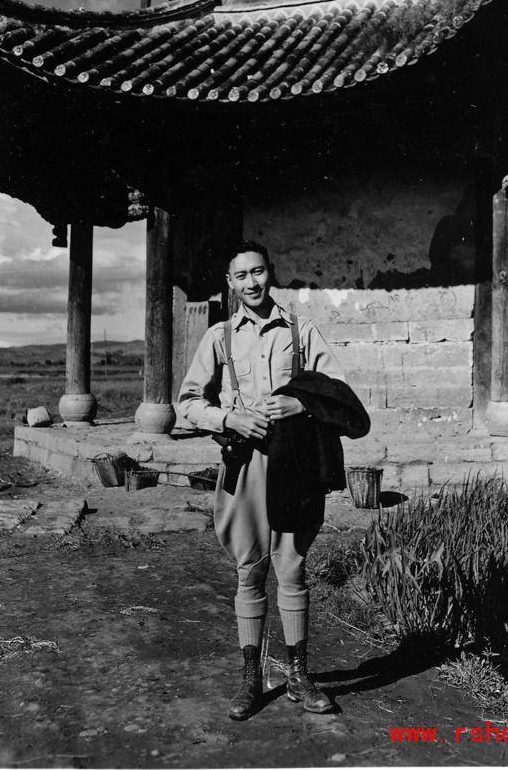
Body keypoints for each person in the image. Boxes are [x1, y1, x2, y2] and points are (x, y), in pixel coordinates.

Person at [177, 240, 348, 721]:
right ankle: (251, 680)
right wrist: (230, 419)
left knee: (291, 567)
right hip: (245, 464)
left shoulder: (299, 331)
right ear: (230, 284)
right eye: (241, 276)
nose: (252, 283)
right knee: (249, 569)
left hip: (296, 463)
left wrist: (301, 404)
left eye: (258, 273)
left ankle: (298, 676)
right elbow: (187, 401)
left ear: (269, 274)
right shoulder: (219, 338)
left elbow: (338, 394)